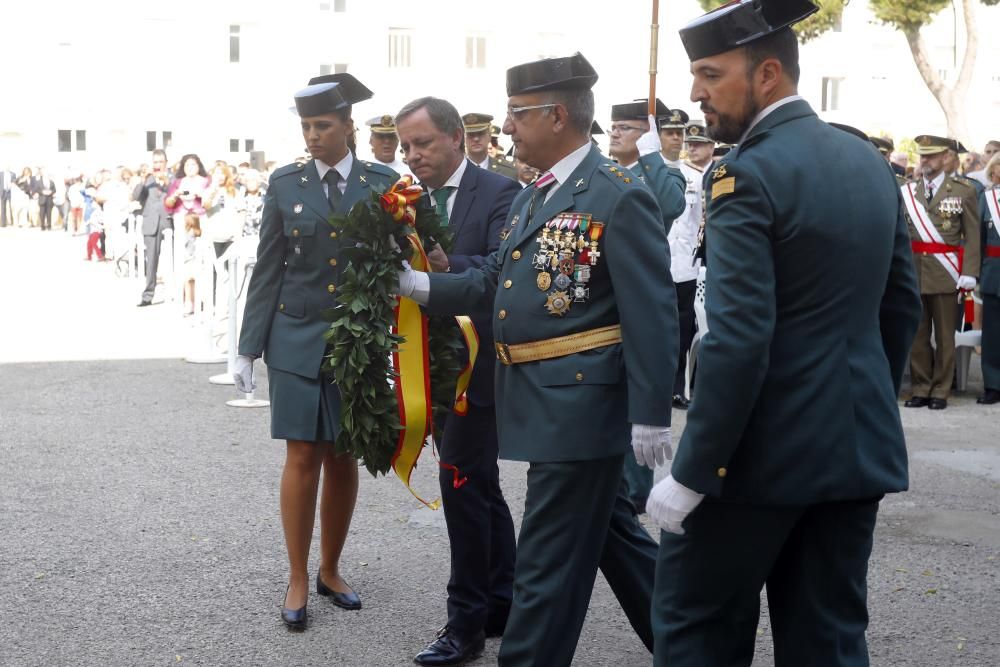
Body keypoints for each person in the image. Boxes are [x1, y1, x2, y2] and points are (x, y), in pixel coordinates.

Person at [646, 3, 922, 666]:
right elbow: (900, 307)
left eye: (710, 74)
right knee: (827, 639)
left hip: (756, 460)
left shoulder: (748, 173)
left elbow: (739, 340)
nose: (695, 93)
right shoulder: (864, 162)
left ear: (767, 73)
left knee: (696, 629)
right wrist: (856, 405)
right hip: (853, 452)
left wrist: (692, 471)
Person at [396, 52, 678, 666]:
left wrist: (652, 412)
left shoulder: (615, 194)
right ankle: (694, 646)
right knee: (613, 540)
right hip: (546, 402)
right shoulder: (536, 196)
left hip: (580, 407)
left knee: (547, 567)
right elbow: (494, 279)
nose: (507, 126)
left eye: (517, 114)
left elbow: (652, 310)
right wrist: (416, 287)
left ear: (556, 115)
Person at [233, 75, 398, 631]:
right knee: (302, 455)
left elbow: (404, 260)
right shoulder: (285, 184)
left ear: (349, 126)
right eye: (305, 126)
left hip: (358, 342)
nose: (312, 136)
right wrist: (246, 346)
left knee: (343, 454)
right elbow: (268, 268)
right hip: (296, 337)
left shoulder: (383, 183)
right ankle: (298, 575)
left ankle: (331, 569)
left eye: (322, 125)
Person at [395, 95, 521, 666]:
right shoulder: (402, 200)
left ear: (454, 138)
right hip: (428, 365)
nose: (413, 155)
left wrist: (446, 269)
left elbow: (502, 272)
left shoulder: (499, 193)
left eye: (422, 143)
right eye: (406, 147)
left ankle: (464, 625)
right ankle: (504, 600)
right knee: (479, 484)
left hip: (481, 368)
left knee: (462, 487)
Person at [607, 97, 688, 513]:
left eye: (625, 127)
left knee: (636, 394)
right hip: (604, 300)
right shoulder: (604, 173)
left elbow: (671, 206)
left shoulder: (660, 174)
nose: (614, 132)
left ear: (647, 134)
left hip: (639, 298)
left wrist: (654, 154)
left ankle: (633, 497)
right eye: (613, 126)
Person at [901, 134, 981, 410]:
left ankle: (941, 390)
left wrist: (969, 272)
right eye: (922, 155)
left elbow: (972, 236)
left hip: (947, 273)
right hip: (913, 271)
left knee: (946, 337)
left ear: (946, 157)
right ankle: (921, 386)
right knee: (917, 335)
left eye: (931, 155)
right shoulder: (908, 191)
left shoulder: (963, 190)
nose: (924, 160)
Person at [669, 121, 715, 410]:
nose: (692, 147)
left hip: (688, 264)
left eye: (699, 143)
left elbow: (702, 218)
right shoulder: (678, 173)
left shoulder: (705, 178)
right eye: (691, 143)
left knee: (683, 332)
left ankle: (677, 388)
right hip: (665, 261)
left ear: (712, 145)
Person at [134, 150, 173, 307]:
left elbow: (175, 195)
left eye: (160, 162)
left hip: (168, 221)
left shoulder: (173, 178)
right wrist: (143, 181)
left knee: (175, 260)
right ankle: (148, 295)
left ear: (166, 162)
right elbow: (136, 196)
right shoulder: (147, 179)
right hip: (151, 222)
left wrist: (167, 183)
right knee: (151, 261)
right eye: (155, 162)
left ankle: (178, 294)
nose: (157, 165)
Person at [976, 154, 1000, 405]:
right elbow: (978, 239)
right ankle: (993, 384)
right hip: (994, 273)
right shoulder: (987, 199)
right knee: (992, 333)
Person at [462, 112, 518, 180]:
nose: (476, 139)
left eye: (480, 133)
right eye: (471, 134)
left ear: (489, 136)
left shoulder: (508, 171)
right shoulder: (454, 170)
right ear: (463, 138)